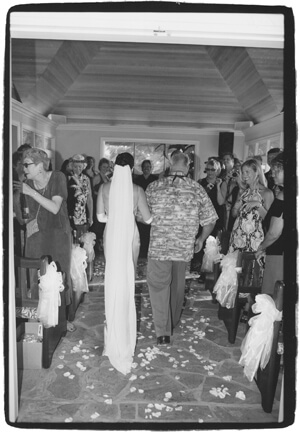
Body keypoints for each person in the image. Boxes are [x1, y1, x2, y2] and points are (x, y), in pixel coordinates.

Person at [145, 152, 218, 345]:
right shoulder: (197, 189)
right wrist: (201, 239)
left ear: (170, 164)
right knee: (177, 286)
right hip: (184, 247)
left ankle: (163, 331)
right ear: (188, 166)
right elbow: (210, 220)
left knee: (159, 285)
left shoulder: (154, 187)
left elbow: (140, 215)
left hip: (159, 247)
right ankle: (173, 321)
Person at [96, 152, 152, 375]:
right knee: (127, 280)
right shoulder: (137, 190)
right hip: (130, 235)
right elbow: (148, 219)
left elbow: (100, 217)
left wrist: (116, 217)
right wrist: (133, 215)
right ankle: (124, 331)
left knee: (114, 279)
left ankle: (113, 334)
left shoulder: (104, 188)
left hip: (111, 235)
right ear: (131, 168)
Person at [13, 147, 75, 331]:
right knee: (35, 276)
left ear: (40, 165)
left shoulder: (58, 177)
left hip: (58, 235)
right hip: (36, 236)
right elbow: (23, 215)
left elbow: (55, 208)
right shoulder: (27, 184)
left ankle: (62, 319)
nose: (24, 168)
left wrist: (30, 192)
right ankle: (37, 320)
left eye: (27, 164)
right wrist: (20, 208)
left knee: (59, 275)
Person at [229, 159, 274, 253]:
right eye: (242, 172)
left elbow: (271, 221)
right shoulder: (243, 192)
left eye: (247, 172)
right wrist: (236, 207)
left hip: (255, 240)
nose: (244, 175)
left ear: (256, 172)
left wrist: (258, 205)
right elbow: (234, 215)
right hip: (238, 237)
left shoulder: (267, 193)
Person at [255, 152, 284, 295]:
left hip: (279, 253)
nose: (272, 174)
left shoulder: (284, 195)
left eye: (276, 170)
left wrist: (261, 247)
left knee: (272, 300)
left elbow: (274, 233)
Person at [134, 159, 158, 257]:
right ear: (142, 168)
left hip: (151, 207)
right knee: (140, 231)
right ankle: (141, 252)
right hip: (139, 208)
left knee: (150, 231)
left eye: (148, 167)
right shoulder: (137, 180)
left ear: (151, 168)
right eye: (145, 167)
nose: (146, 169)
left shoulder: (155, 179)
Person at [67, 154, 93, 240]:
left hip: (83, 215)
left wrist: (91, 216)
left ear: (83, 167)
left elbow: (89, 199)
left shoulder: (87, 179)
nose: (78, 169)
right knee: (72, 240)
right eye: (75, 167)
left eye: (80, 167)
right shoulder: (67, 178)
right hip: (71, 214)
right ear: (71, 166)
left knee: (82, 240)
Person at [90, 157, 111, 249]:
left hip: (105, 204)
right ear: (99, 167)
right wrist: (99, 194)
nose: (105, 169)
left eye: (107, 167)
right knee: (97, 225)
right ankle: (96, 245)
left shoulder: (107, 178)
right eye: (103, 167)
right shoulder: (97, 178)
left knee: (103, 225)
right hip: (96, 203)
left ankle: (102, 244)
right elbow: (90, 191)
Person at [220, 153, 241, 232]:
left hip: (235, 203)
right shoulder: (222, 173)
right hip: (225, 205)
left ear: (232, 161)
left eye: (227, 159)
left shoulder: (237, 172)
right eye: (224, 159)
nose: (225, 161)